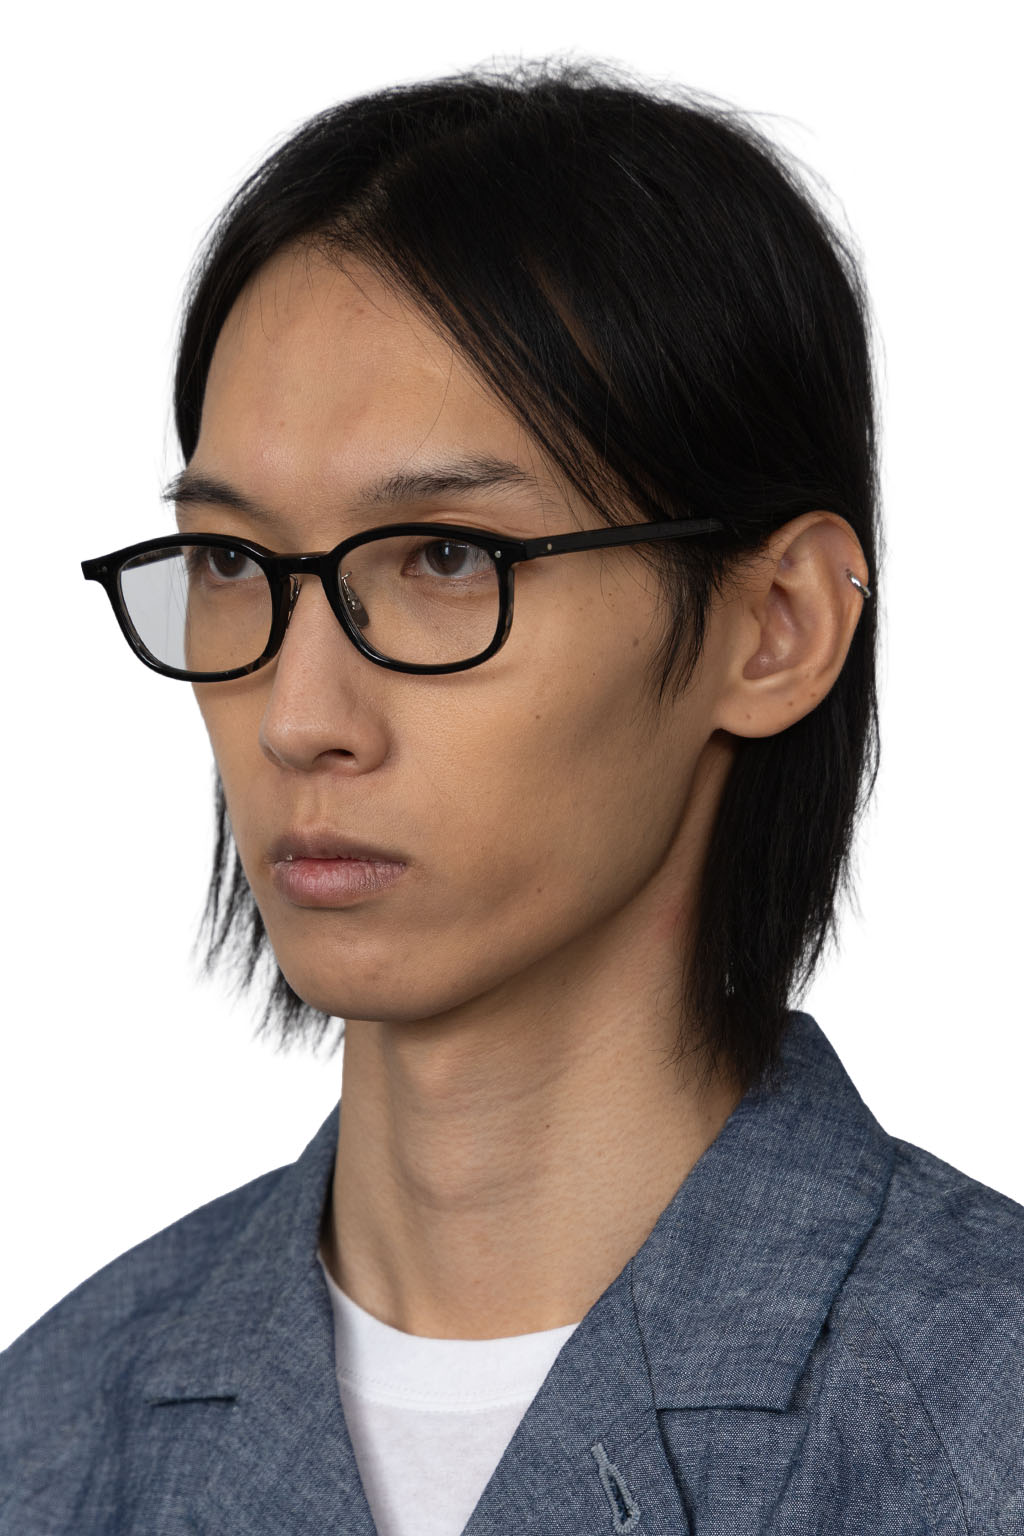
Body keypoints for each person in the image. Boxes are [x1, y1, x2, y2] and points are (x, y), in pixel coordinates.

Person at [2, 57, 1020, 1536]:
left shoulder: (976, 1427)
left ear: (776, 625)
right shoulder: (49, 1439)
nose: (297, 717)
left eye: (445, 557)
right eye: (231, 561)